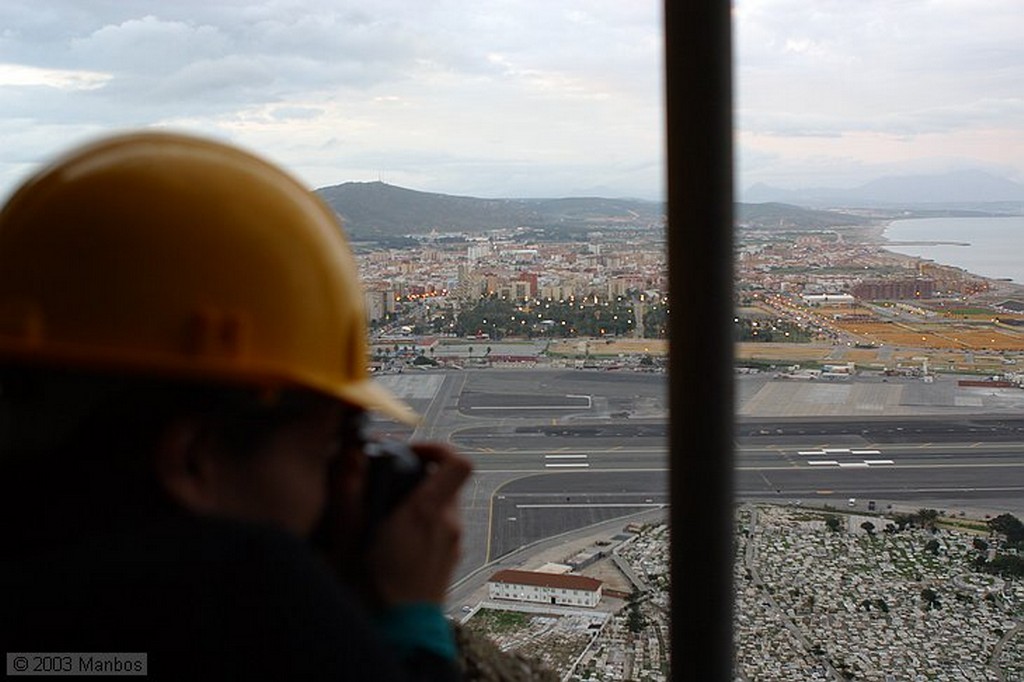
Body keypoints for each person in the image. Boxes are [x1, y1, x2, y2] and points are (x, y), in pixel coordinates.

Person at [0, 132, 472, 680]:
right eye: (325, 449)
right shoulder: (245, 598)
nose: (348, 478)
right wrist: (412, 620)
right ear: (196, 458)